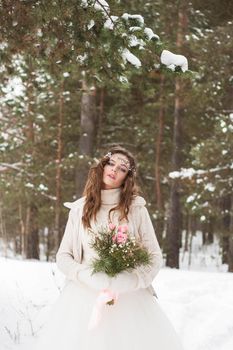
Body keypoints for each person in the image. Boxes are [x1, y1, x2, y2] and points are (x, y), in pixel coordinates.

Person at [33, 145, 184, 350]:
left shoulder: (136, 208)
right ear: (102, 166)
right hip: (83, 296)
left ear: (127, 177)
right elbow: (64, 256)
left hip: (130, 298)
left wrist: (131, 280)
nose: (114, 169)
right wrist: (86, 275)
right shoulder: (79, 209)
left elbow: (154, 255)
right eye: (111, 163)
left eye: (122, 168)